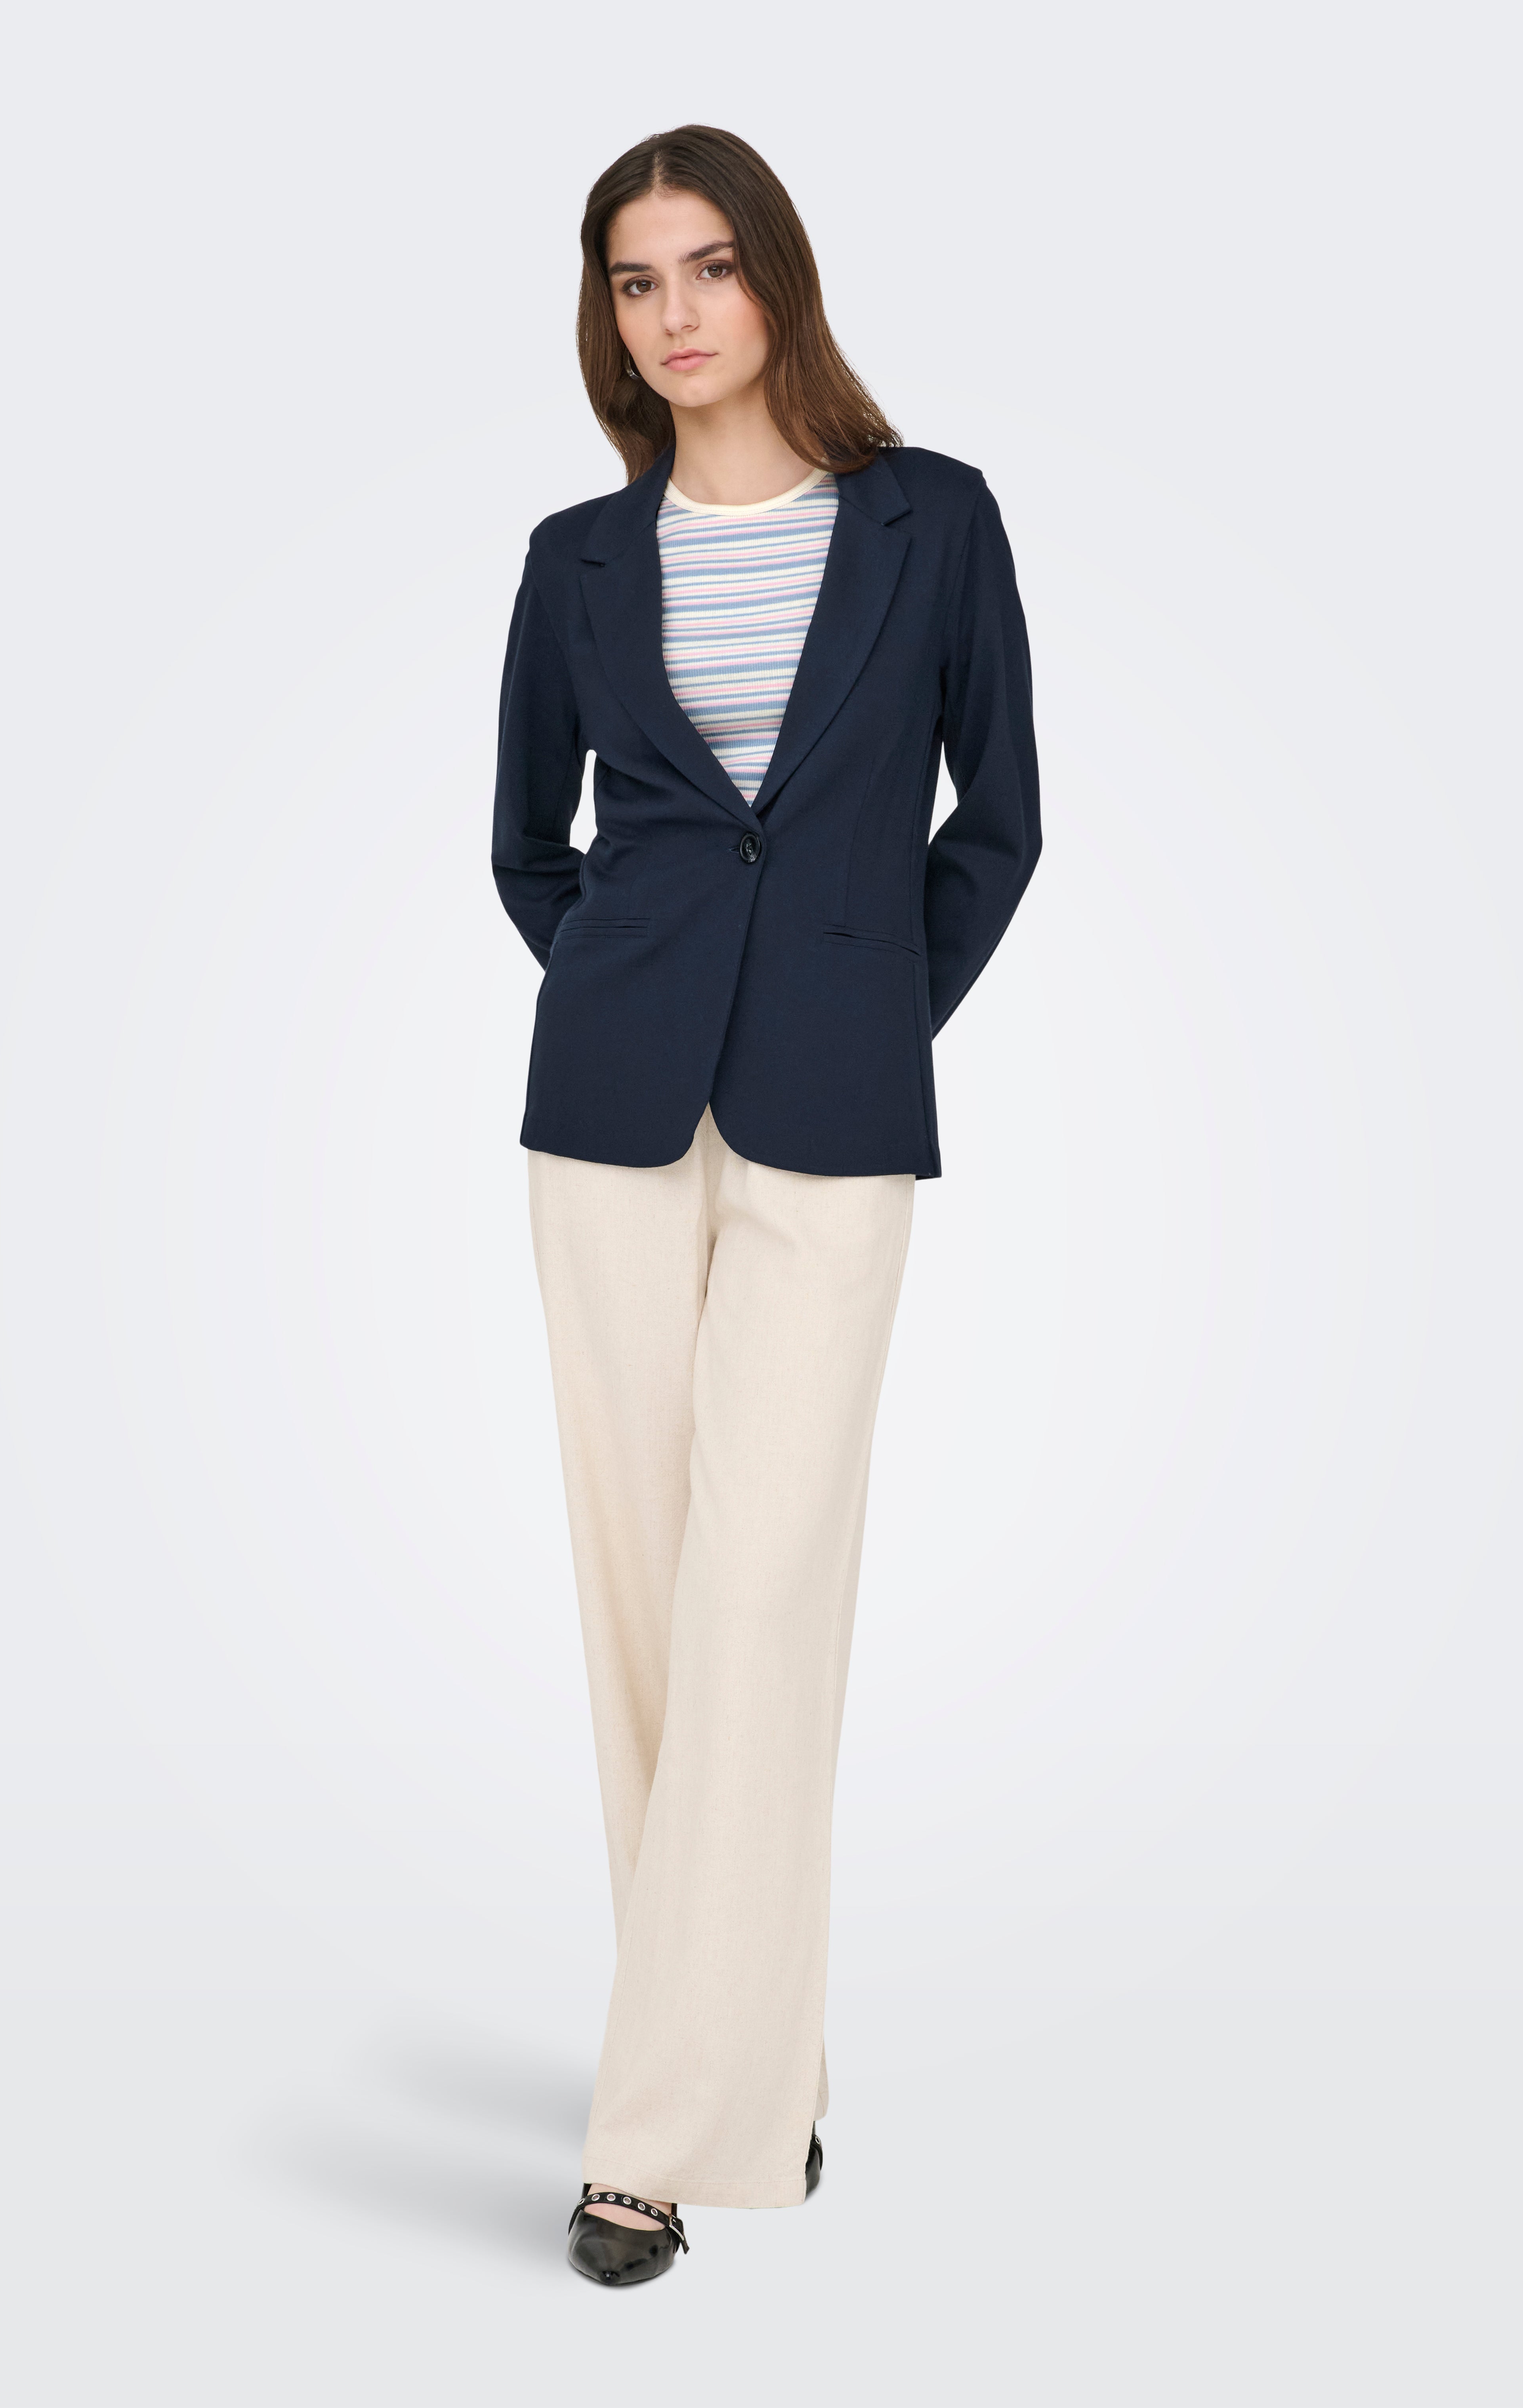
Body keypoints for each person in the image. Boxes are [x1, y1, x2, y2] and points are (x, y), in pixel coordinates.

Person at [490, 124, 1041, 2286]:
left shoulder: (933, 519)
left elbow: (998, 819)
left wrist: (865, 998)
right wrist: (630, 981)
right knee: (645, 1598)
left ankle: (652, 2132)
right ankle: (741, 2074)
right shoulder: (574, 558)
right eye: (638, 281)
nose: (679, 312)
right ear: (609, 316)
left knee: (762, 1596)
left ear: (779, 277)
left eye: (711, 265)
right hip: (610, 1116)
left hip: (834, 1105)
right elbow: (529, 842)